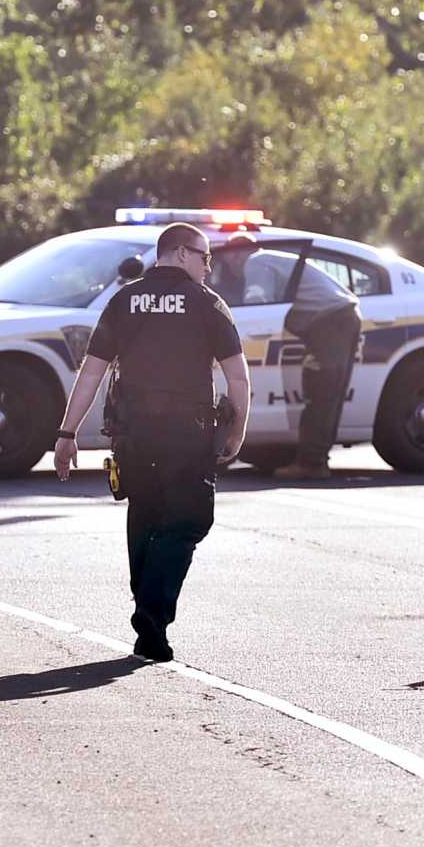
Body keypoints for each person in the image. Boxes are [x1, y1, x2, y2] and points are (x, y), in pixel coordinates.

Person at [54, 224, 251, 662]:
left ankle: (147, 611)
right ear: (181, 254)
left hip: (133, 433)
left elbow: (91, 372)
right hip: (188, 433)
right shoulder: (207, 304)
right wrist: (236, 432)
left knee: (146, 515)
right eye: (204, 257)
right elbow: (237, 376)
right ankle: (151, 615)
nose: (207, 266)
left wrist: (67, 434)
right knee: (188, 521)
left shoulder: (124, 301)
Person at [213, 234, 362, 481]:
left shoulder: (256, 262)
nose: (230, 268)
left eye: (228, 261)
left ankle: (312, 464)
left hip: (329, 322)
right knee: (328, 396)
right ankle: (316, 460)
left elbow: (257, 302)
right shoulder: (272, 259)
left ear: (237, 253)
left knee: (320, 394)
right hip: (339, 319)